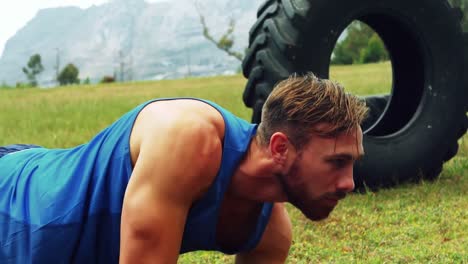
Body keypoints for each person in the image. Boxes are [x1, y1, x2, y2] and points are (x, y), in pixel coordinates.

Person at [0, 73, 368, 263]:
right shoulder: (189, 138)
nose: (348, 183)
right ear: (281, 148)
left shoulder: (269, 234)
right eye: (336, 162)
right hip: (16, 203)